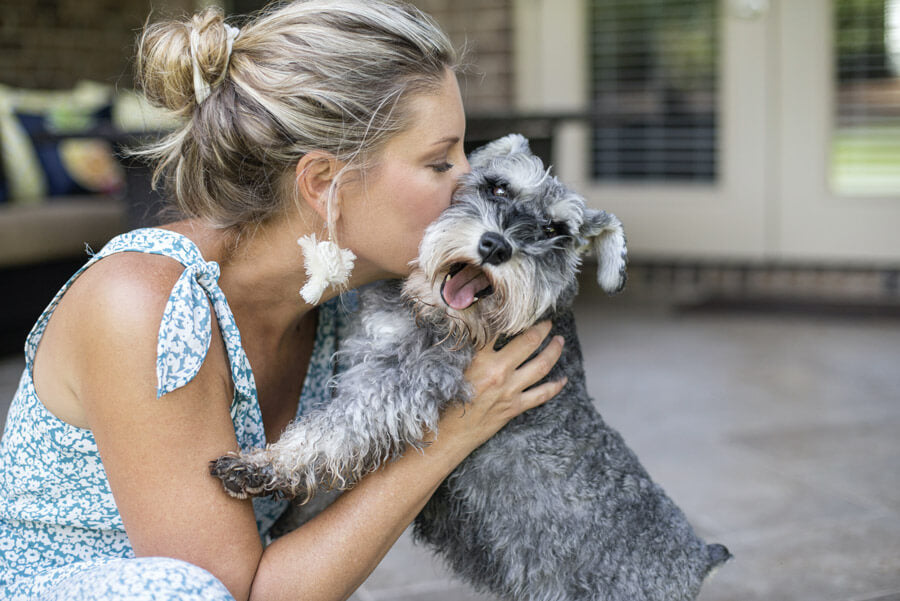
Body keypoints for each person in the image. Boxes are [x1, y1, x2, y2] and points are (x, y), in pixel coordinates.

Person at [0, 2, 568, 600]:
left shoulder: (346, 302)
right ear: (324, 183)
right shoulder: (141, 306)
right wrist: (452, 431)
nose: (468, 181)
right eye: (439, 160)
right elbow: (237, 595)